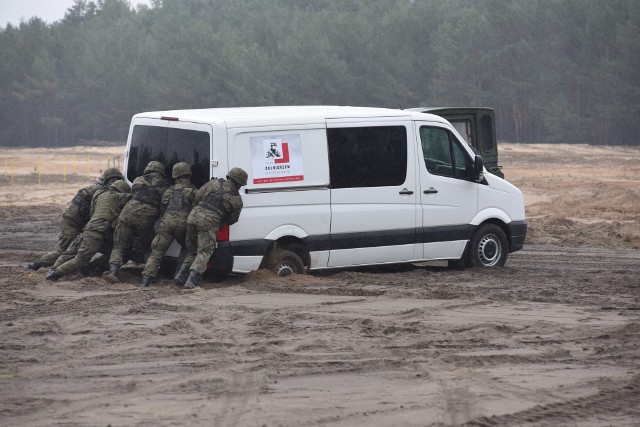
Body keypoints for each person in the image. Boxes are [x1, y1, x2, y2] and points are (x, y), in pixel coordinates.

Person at [25, 167, 124, 272]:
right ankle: (39, 267)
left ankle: (44, 267)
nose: (115, 183)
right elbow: (94, 213)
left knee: (71, 251)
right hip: (71, 223)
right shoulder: (99, 192)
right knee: (66, 252)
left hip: (72, 221)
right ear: (109, 180)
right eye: (114, 180)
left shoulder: (94, 189)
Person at [175, 167, 247, 289]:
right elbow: (232, 220)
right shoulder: (237, 199)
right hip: (209, 222)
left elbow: (197, 197)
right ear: (239, 183)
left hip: (192, 217)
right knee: (204, 252)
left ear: (229, 177)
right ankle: (192, 281)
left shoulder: (213, 183)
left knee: (192, 251)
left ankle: (181, 275)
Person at [45, 180, 131, 281]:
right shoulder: (119, 197)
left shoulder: (99, 194)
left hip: (88, 228)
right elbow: (134, 198)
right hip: (96, 234)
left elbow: (92, 211)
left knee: (70, 253)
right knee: (81, 259)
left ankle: (52, 269)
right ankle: (56, 274)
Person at [105, 160, 170, 280]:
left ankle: (113, 273)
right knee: (147, 247)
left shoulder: (138, 180)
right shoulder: (165, 185)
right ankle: (150, 274)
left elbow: (134, 192)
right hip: (146, 217)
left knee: (119, 245)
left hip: (128, 213)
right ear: (160, 171)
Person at [139, 162, 197, 288]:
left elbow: (162, 209)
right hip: (184, 224)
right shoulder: (193, 191)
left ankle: (146, 279)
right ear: (188, 175)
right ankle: (179, 275)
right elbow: (195, 211)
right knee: (188, 248)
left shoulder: (168, 191)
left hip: (166, 224)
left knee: (156, 252)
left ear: (174, 176)